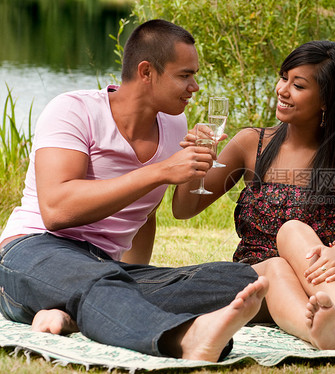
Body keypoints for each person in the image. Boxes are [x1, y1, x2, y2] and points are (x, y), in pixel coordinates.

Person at [0, 19, 270, 362]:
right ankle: (183, 337)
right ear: (147, 72)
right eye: (185, 75)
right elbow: (57, 210)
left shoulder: (174, 124)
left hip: (105, 267)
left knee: (236, 278)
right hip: (33, 250)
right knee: (98, 280)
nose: (195, 86)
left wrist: (193, 169)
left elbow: (147, 216)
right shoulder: (73, 110)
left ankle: (75, 312)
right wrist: (158, 172)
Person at [172, 40, 335, 350]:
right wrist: (194, 164)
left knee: (293, 231)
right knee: (276, 268)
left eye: (299, 85)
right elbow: (184, 209)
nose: (283, 89)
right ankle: (319, 332)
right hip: (258, 281)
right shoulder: (251, 143)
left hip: (325, 285)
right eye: (283, 77)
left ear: (326, 100)